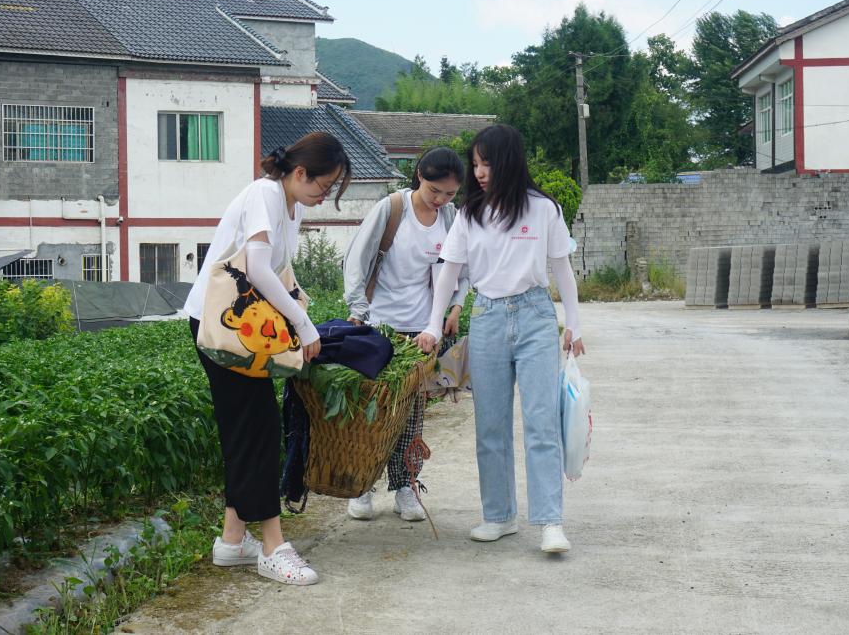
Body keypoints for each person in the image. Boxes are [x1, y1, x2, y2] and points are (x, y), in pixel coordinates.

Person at [184, 132, 352, 585]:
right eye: (324, 185)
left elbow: (275, 271)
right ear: (300, 172)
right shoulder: (266, 193)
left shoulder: (290, 205)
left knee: (249, 429)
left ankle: (233, 541)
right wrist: (303, 323)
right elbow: (256, 268)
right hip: (222, 329)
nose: (325, 195)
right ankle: (273, 547)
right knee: (258, 431)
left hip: (240, 330)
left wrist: (298, 314)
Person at [415, 124, 585, 554]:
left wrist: (575, 324)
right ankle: (499, 515)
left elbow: (562, 269)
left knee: (541, 421)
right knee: (490, 425)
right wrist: (433, 325)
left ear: (508, 161)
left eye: (486, 163)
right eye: (475, 164)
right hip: (487, 316)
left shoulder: (543, 209)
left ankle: (550, 521)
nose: (479, 172)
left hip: (535, 316)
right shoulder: (470, 213)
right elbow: (448, 273)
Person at [342, 147, 469, 522]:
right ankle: (362, 485)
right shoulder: (392, 209)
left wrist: (455, 307)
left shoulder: (451, 217)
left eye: (449, 193)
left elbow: (462, 269)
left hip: (423, 331)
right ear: (419, 177)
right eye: (434, 190)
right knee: (373, 410)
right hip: (379, 325)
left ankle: (406, 486)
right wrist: (357, 310)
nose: (440, 199)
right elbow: (356, 259)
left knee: (411, 416)